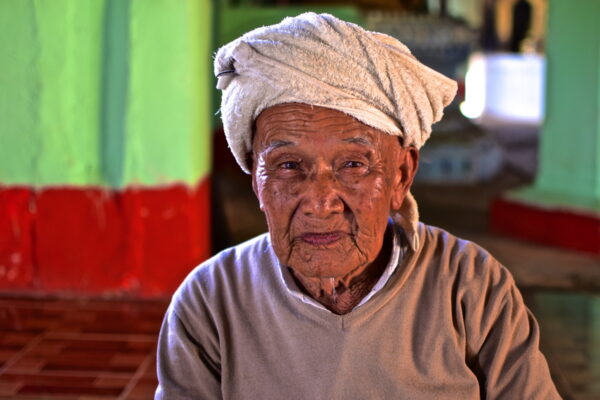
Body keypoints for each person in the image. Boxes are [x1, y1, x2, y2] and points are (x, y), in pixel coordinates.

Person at [155, 13, 561, 399]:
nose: (320, 201)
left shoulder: (472, 286)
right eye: (288, 165)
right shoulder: (210, 300)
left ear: (401, 176)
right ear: (257, 182)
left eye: (353, 165)